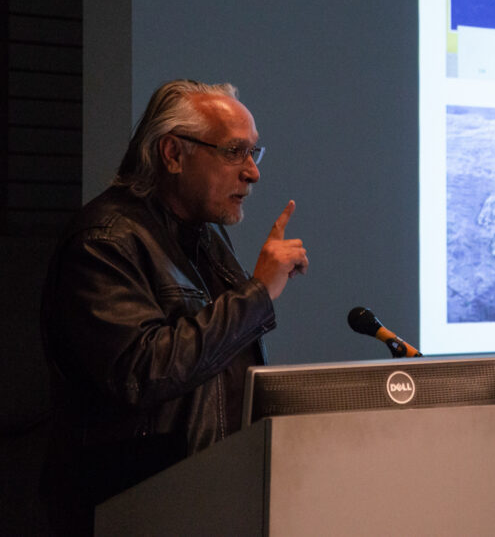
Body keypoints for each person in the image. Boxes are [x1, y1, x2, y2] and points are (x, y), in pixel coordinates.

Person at [39, 79, 309, 535]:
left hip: (211, 498)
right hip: (135, 507)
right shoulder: (104, 242)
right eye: (233, 152)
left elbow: (223, 366)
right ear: (172, 154)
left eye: (253, 153)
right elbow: (142, 371)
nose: (252, 172)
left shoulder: (202, 234)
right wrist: (257, 294)